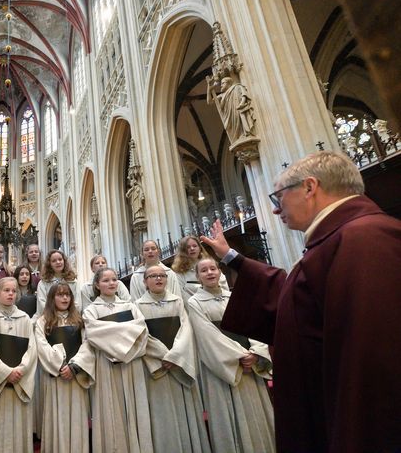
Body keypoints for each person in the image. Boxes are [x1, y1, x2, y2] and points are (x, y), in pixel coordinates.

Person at [200, 151, 401, 452]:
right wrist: (232, 258)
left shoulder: (365, 238)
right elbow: (296, 298)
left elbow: (372, 361)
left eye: (278, 197)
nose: (276, 210)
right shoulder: (339, 238)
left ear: (309, 188)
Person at [187, 257, 275, 452]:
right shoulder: (194, 303)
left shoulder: (235, 297)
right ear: (198, 277)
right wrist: (240, 356)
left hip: (250, 366)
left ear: (220, 272)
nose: (210, 273)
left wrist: (255, 353)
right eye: (204, 271)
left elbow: (255, 326)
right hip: (224, 369)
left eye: (213, 268)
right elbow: (208, 336)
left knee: (259, 417)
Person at [135, 266, 210, 452]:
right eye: (153, 276)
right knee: (162, 414)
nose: (158, 279)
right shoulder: (137, 306)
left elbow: (186, 330)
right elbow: (142, 335)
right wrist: (164, 356)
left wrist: (175, 356)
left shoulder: (177, 302)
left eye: (162, 275)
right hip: (157, 367)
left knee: (187, 414)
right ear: (145, 281)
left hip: (179, 364)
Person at [82, 268, 153, 452]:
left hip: (132, 363)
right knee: (112, 410)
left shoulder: (130, 306)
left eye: (114, 279)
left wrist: (124, 348)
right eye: (106, 280)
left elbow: (142, 330)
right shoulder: (91, 310)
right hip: (107, 364)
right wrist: (125, 339)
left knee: (136, 408)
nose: (111, 283)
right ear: (97, 285)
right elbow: (94, 334)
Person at [0, 277, 37, 453]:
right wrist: (5, 373)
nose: (11, 294)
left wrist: (20, 370)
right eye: (6, 290)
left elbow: (32, 349)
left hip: (19, 379)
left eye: (14, 291)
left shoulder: (25, 318)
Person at [35, 282, 94, 453]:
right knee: (57, 418)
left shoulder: (78, 320)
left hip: (76, 377)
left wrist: (74, 367)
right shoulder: (43, 322)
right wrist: (60, 366)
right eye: (60, 295)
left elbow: (88, 344)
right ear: (52, 298)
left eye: (67, 294)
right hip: (55, 377)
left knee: (77, 418)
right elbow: (41, 346)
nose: (65, 298)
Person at [171, 235, 229, 302]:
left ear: (200, 248)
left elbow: (223, 284)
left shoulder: (210, 264)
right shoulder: (179, 272)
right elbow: (183, 295)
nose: (192, 248)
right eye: (188, 247)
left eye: (195, 246)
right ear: (183, 251)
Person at [36, 250, 79, 315]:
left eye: (60, 259)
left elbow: (77, 303)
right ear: (49, 264)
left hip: (70, 317)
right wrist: (57, 315)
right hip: (49, 317)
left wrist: (66, 315)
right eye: (54, 261)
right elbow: (42, 304)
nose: (58, 262)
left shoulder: (73, 282)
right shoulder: (43, 283)